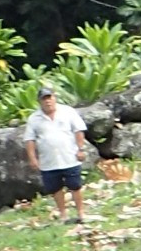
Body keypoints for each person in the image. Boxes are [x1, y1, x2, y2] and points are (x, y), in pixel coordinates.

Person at [23, 85, 94, 229]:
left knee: (75, 186)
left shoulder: (68, 112)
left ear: (54, 98)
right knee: (55, 189)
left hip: (69, 156)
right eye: (44, 99)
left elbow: (79, 130)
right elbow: (29, 140)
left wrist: (80, 149)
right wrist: (32, 158)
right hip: (49, 160)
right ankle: (63, 215)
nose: (47, 101)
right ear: (39, 101)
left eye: (50, 98)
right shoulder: (34, 118)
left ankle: (81, 213)